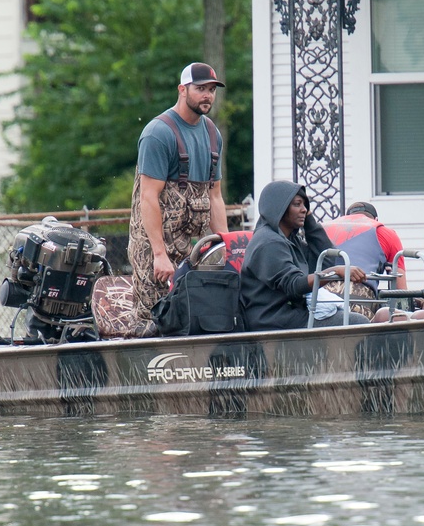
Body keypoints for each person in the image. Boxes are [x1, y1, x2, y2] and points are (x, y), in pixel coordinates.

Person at [127, 62, 231, 337]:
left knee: (194, 319)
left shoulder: (212, 134)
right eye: (200, 89)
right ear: (182, 90)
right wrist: (159, 255)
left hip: (191, 248)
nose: (207, 95)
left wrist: (227, 246)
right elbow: (148, 198)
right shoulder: (158, 133)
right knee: (155, 321)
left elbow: (215, 196)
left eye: (211, 90)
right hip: (154, 247)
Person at [240, 180, 370, 331]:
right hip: (274, 320)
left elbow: (326, 260)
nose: (304, 209)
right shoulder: (269, 242)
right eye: (297, 204)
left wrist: (309, 221)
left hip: (292, 314)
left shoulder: (289, 239)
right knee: (358, 323)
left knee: (360, 318)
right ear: (278, 208)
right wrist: (335, 272)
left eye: (305, 205)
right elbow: (295, 284)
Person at [322, 201, 407, 317]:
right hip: (360, 300)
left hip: (320, 298)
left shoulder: (321, 229)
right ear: (375, 219)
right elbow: (401, 290)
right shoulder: (384, 232)